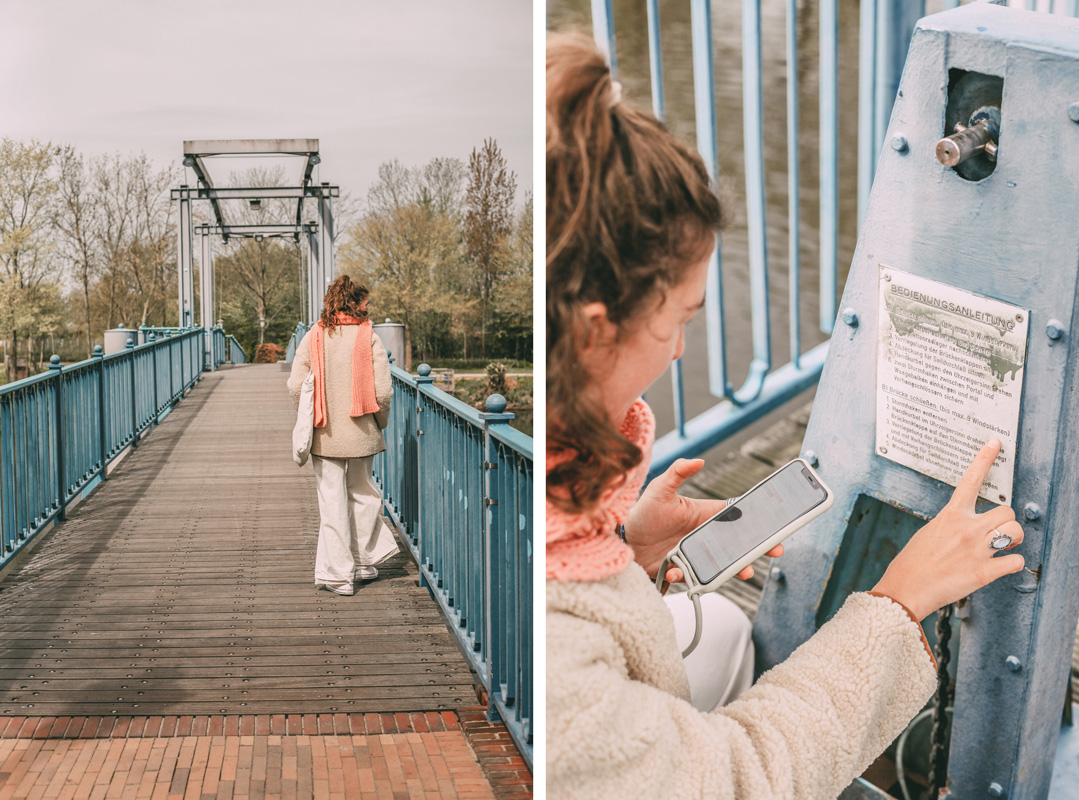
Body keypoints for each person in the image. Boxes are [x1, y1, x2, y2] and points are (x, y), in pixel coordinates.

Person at [546, 33, 1026, 798]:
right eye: (680, 319)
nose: (676, 355)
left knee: (730, 630)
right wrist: (898, 606)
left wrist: (624, 554)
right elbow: (738, 778)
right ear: (596, 329)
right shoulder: (561, 682)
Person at [288, 275, 396, 596]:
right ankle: (363, 562)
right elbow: (383, 391)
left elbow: (296, 384)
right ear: (356, 303)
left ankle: (338, 576)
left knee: (331, 502)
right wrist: (380, 421)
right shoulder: (369, 337)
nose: (368, 306)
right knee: (363, 496)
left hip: (325, 433)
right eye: (366, 301)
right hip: (362, 430)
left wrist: (309, 414)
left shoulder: (314, 335)